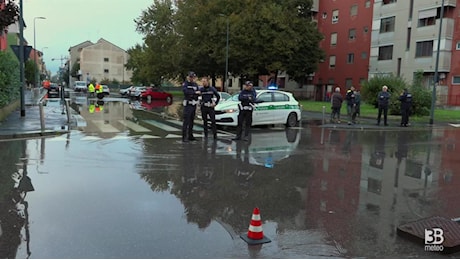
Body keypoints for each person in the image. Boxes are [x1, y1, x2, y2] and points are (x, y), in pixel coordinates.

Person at [182, 71, 200, 142]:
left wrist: (195, 94)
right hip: (188, 105)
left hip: (193, 104)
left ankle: (190, 135)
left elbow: (198, 93)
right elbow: (186, 92)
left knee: (192, 121)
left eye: (193, 77)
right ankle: (184, 137)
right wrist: (194, 93)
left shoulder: (195, 84)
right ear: (188, 77)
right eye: (191, 77)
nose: (192, 78)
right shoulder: (185, 84)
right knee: (186, 121)